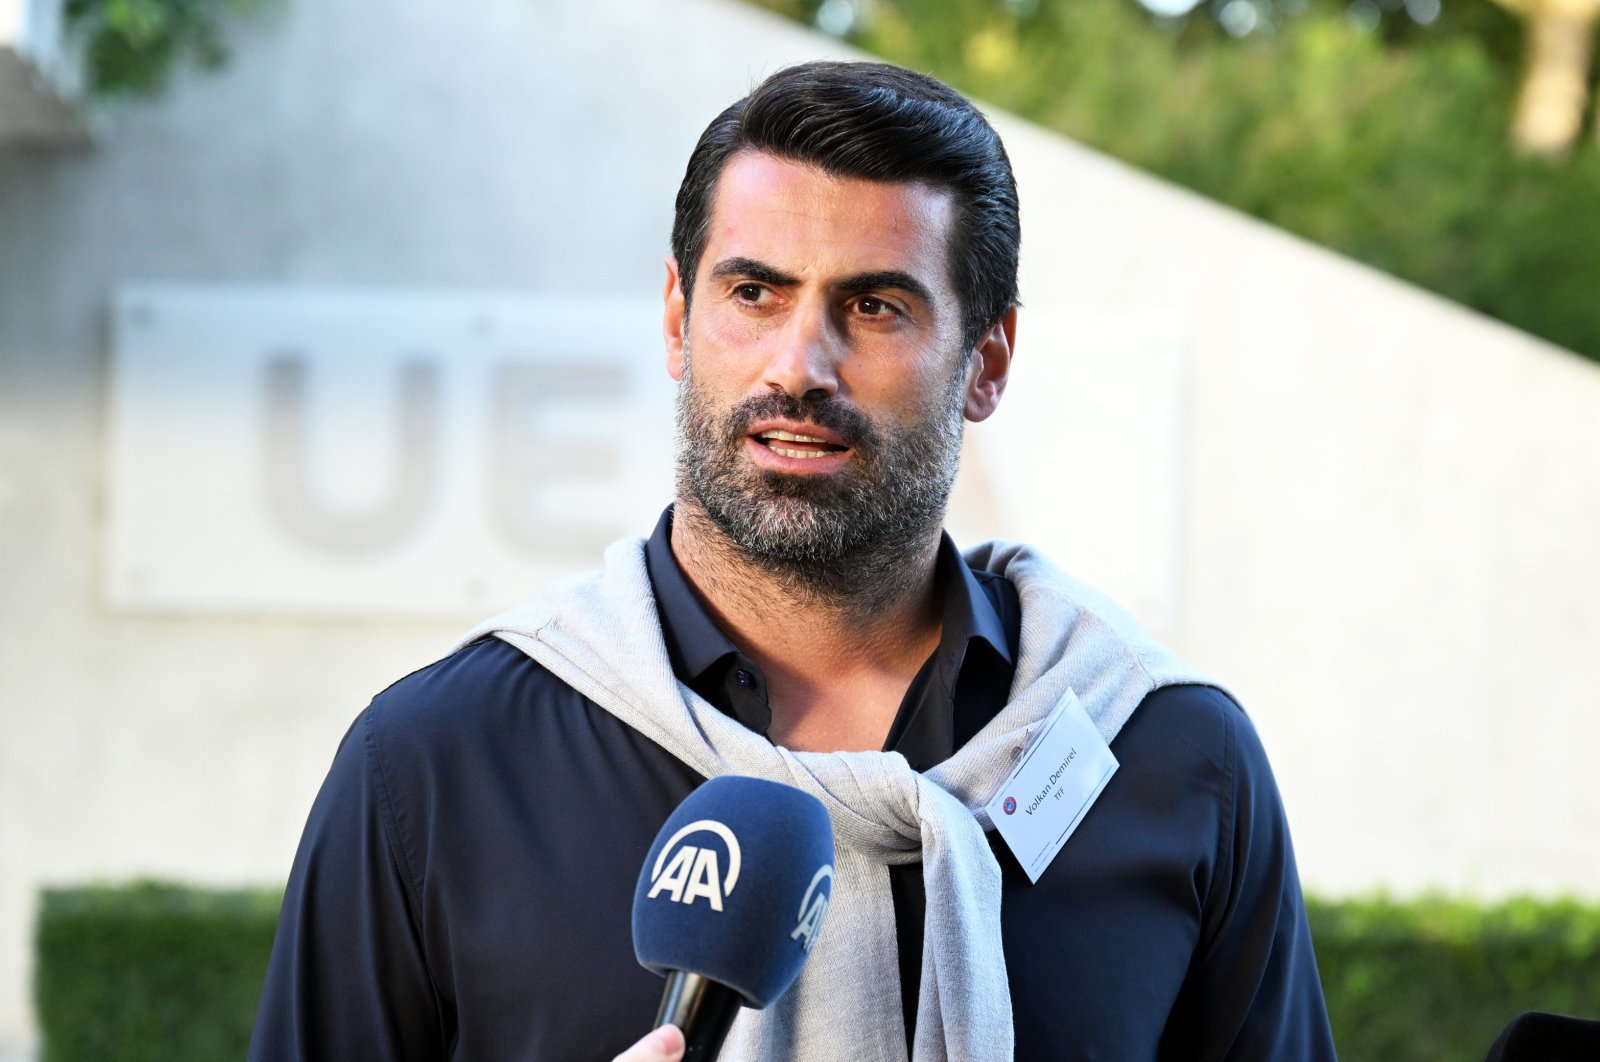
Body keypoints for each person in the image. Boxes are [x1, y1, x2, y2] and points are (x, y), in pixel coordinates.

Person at [249, 61, 1337, 1061]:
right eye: (753, 293)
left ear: (986, 362)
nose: (797, 365)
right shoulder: (436, 765)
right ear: (678, 319)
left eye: (873, 306)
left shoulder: (1166, 756)